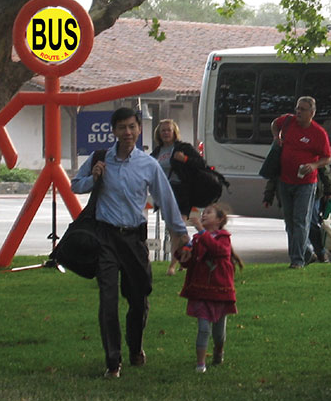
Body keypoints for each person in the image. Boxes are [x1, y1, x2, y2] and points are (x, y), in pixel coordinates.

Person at [72, 107, 189, 378]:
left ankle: (135, 347)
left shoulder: (148, 164)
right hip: (105, 238)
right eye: (122, 127)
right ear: (113, 131)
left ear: (139, 130)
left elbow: (166, 199)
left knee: (139, 298)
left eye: (132, 127)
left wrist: (181, 235)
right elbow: (75, 185)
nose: (127, 132)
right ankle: (113, 361)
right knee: (108, 299)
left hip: (134, 238)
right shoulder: (100, 158)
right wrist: (93, 178)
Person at [177, 203, 242, 373]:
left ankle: (218, 350)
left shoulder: (223, 238)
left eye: (209, 213)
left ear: (219, 220)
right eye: (203, 213)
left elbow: (218, 251)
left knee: (218, 333)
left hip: (220, 291)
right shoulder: (198, 239)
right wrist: (181, 251)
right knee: (203, 328)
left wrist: (201, 231)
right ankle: (200, 364)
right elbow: (189, 262)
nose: (203, 215)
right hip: (201, 291)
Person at [271, 96, 331, 268]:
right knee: (289, 222)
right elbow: (274, 123)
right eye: (297, 108)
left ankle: (297, 261)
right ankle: (307, 253)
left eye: (302, 109)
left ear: (312, 113)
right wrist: (276, 136)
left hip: (306, 183)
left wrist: (314, 165)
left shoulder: (318, 133)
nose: (298, 112)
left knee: (300, 221)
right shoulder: (288, 121)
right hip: (285, 180)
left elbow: (327, 158)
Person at [150, 119, 207, 276]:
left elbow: (201, 163)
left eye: (169, 130)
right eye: (163, 130)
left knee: (178, 226)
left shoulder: (183, 148)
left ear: (174, 132)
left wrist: (185, 159)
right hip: (164, 193)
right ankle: (186, 257)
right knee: (173, 229)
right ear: (158, 134)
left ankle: (172, 266)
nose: (166, 133)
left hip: (182, 192)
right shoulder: (156, 152)